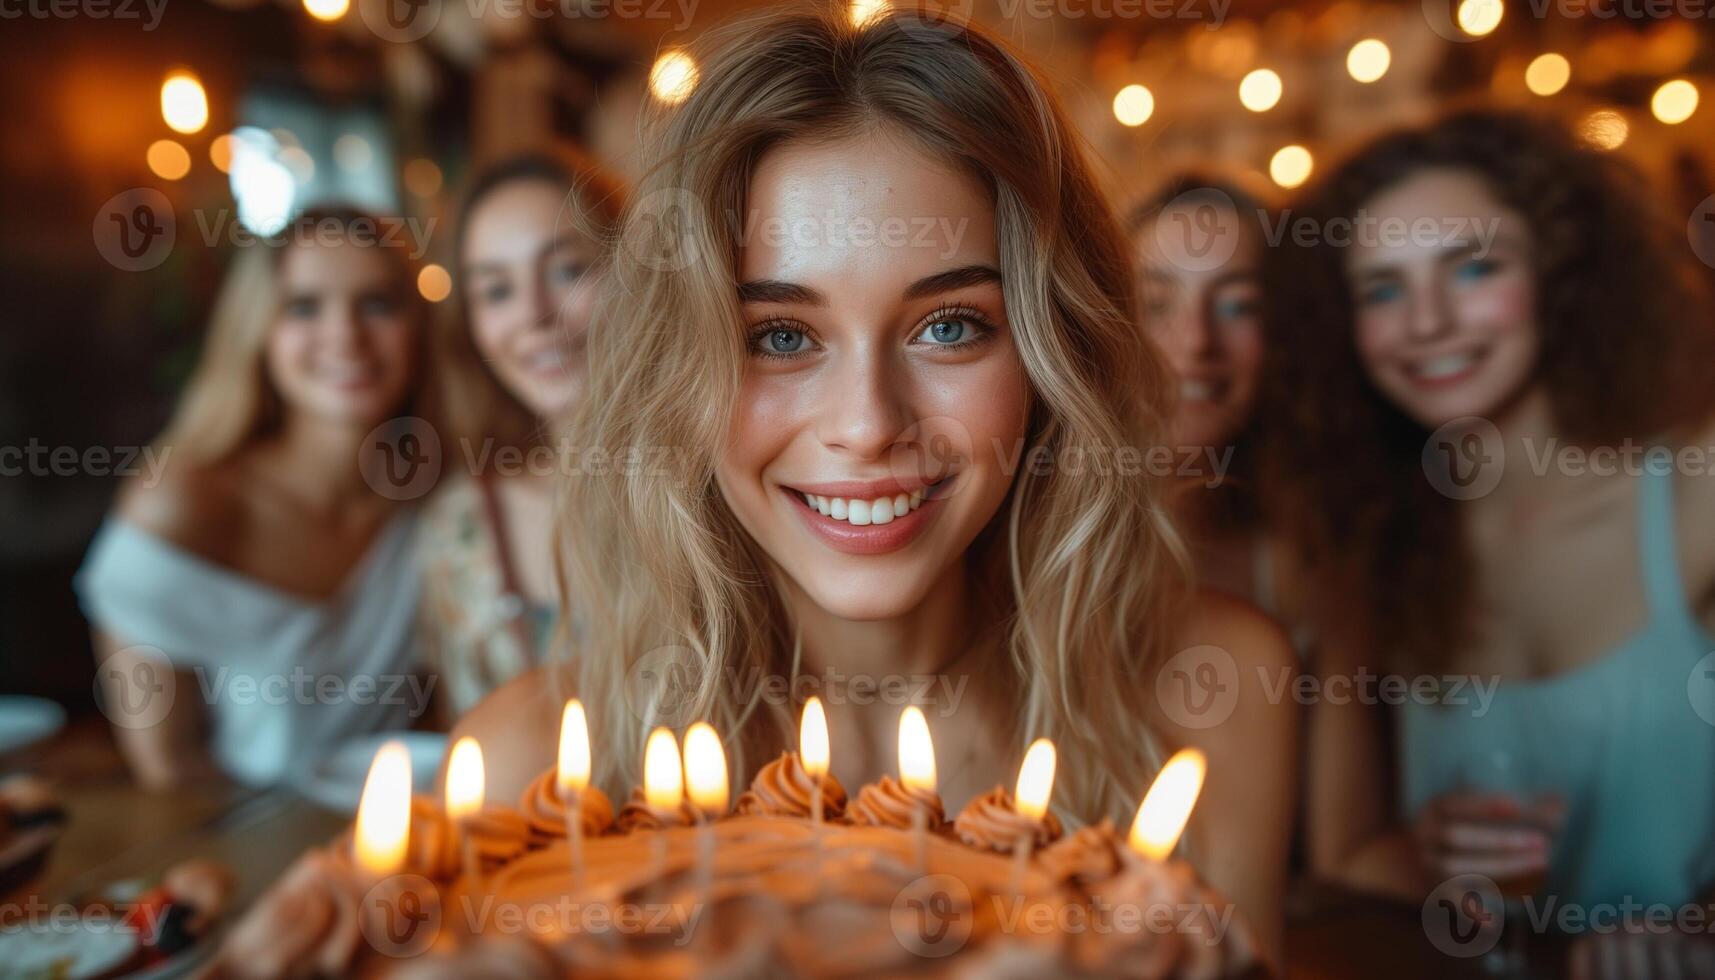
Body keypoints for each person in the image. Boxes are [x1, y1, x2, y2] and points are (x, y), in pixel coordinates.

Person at [452, 8, 1297, 970]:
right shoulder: (523, 774)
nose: (866, 423)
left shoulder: (1216, 699)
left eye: (948, 325)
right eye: (779, 335)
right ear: (673, 374)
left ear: (1053, 351)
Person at [1267, 110, 1715, 972]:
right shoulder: (1371, 547)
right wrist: (1424, 854)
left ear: (1559, 274)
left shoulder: (1694, 490)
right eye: (1383, 289)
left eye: (1472, 267)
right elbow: (1345, 860)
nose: (1428, 322)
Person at [76, 207, 430, 790]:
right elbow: (169, 769)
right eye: (304, 306)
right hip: (249, 856)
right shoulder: (182, 503)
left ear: (417, 327)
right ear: (259, 330)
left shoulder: (436, 495)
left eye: (378, 304)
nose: (345, 334)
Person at [417, 149, 624, 720]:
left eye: (568, 271)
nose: (535, 314)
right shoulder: (460, 529)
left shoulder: (727, 485)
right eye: (497, 291)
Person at [1127, 175, 1303, 631]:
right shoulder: (1028, 539)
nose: (1196, 341)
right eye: (1155, 303)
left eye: (1238, 306)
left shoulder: (1316, 551)